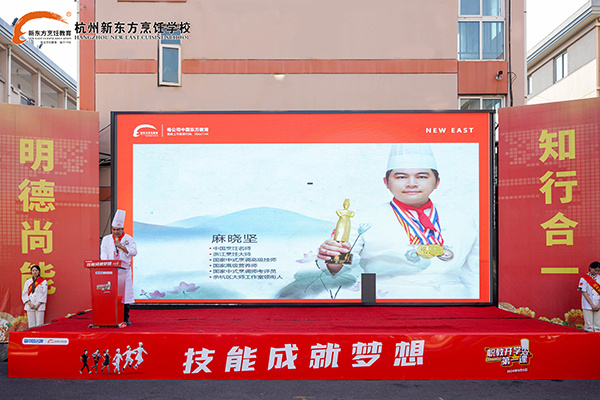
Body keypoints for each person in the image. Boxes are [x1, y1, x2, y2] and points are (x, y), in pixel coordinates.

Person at [317, 143, 479, 299]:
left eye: (422, 176)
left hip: (453, 298)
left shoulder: (463, 220)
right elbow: (337, 267)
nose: (411, 184)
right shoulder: (362, 219)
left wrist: (477, 305)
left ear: (437, 182)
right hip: (384, 299)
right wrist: (332, 257)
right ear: (386, 182)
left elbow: (474, 273)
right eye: (401, 177)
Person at [100, 210, 138, 325]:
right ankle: (111, 316)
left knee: (125, 295)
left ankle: (125, 317)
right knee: (111, 294)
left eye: (118, 230)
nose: (116, 232)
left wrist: (121, 247)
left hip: (124, 271)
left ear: (122, 229)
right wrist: (107, 266)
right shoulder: (106, 239)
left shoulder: (128, 239)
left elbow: (134, 252)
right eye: (114, 229)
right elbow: (103, 254)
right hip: (111, 271)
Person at [578, 261, 600, 332]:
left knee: (598, 325)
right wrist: (592, 304)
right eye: (595, 270)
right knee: (589, 325)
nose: (596, 272)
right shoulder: (584, 279)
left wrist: (598, 305)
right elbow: (584, 292)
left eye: (598, 271)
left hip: (598, 304)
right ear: (590, 268)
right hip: (587, 304)